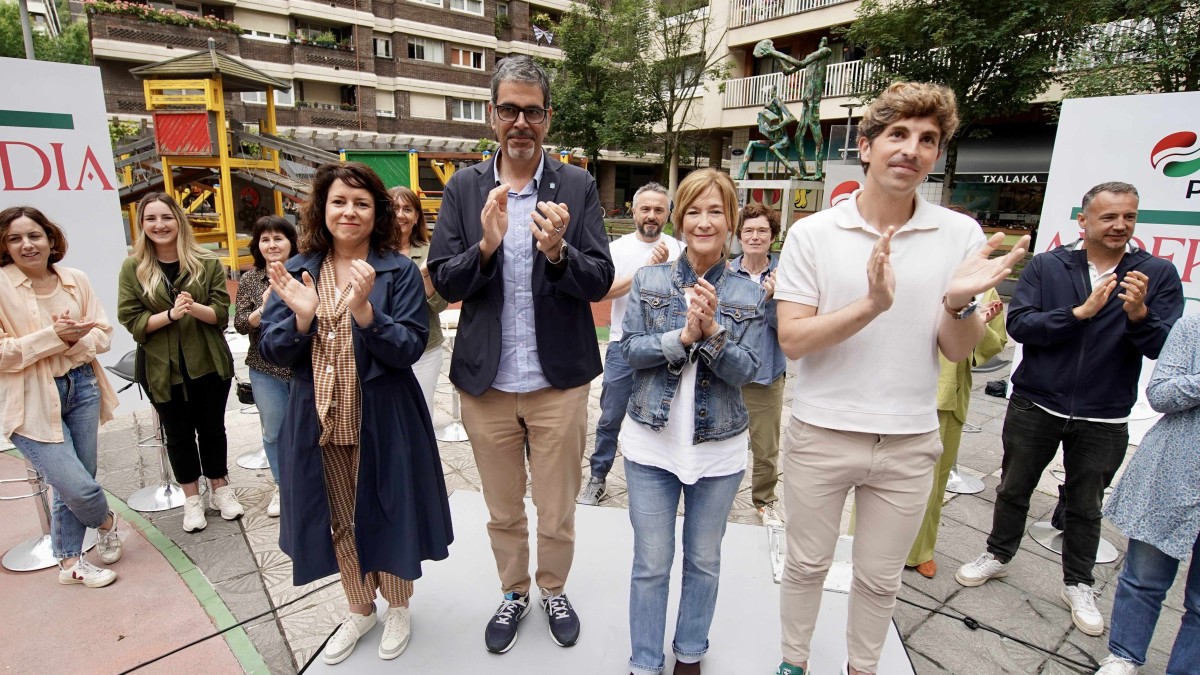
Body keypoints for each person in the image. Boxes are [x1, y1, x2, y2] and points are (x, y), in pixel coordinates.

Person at [772, 81, 1029, 675]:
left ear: (936, 154)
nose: (911, 149)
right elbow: (793, 340)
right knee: (806, 566)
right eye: (898, 135)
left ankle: (863, 667)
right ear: (866, 146)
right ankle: (792, 663)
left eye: (927, 139)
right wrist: (871, 305)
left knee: (880, 578)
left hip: (911, 441)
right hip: (822, 432)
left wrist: (962, 303)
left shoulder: (959, 234)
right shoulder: (814, 234)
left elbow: (955, 348)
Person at [428, 55, 614, 654]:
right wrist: (485, 246)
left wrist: (559, 251)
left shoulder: (578, 186)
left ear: (547, 118)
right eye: (509, 109)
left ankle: (553, 586)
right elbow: (443, 280)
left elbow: (599, 278)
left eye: (532, 111)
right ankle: (514, 591)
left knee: (556, 506)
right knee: (503, 507)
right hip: (487, 383)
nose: (521, 122)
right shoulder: (463, 188)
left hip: (558, 382)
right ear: (491, 116)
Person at [956, 181, 1184, 637]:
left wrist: (1138, 315)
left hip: (1105, 412)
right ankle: (998, 554)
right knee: (1014, 486)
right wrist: (1078, 313)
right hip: (1037, 402)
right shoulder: (1048, 265)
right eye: (1109, 217)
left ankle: (1078, 582)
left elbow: (1165, 346)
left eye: (1129, 217)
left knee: (1085, 504)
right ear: (1084, 221)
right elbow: (1021, 325)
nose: (1120, 225)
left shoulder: (1154, 274)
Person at [260, 161, 453, 665]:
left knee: (388, 508)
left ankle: (398, 606)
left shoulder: (398, 270)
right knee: (337, 515)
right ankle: (359, 605)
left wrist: (367, 312)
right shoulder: (301, 267)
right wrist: (301, 315)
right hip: (319, 417)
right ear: (322, 209)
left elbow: (409, 346)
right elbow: (274, 351)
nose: (349, 212)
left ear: (378, 212)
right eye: (339, 202)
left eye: (361, 203)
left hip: (385, 416)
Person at [620, 168, 766, 675]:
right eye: (694, 211)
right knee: (651, 563)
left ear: (731, 221)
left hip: (719, 448)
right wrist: (681, 339)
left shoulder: (750, 293)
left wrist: (713, 334)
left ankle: (689, 654)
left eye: (716, 211)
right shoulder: (650, 279)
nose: (704, 222)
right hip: (649, 443)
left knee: (704, 561)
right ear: (679, 219)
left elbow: (752, 370)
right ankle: (644, 661)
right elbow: (628, 352)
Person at [0, 206, 123, 587]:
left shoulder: (75, 279)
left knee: (80, 476)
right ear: (4, 246)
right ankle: (105, 520)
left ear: (51, 239)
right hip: (29, 396)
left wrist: (73, 342)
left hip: (82, 386)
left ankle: (70, 563)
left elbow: (102, 334)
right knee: (77, 486)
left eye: (35, 235)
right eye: (15, 238)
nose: (27, 244)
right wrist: (55, 338)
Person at [117, 192, 242, 534]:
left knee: (213, 429)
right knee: (178, 435)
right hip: (161, 367)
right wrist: (171, 314)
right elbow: (132, 320)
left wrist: (191, 308)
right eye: (151, 219)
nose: (159, 225)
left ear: (178, 220)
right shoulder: (134, 267)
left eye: (166, 217)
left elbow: (219, 314)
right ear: (141, 225)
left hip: (208, 361)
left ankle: (221, 489)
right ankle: (191, 499)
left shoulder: (206, 261)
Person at [1095, 315, 1200, 675]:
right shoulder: (1194, 328)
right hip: (1174, 473)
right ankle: (1124, 656)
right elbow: (1160, 394)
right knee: (1144, 577)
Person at [579, 181, 682, 506]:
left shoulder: (681, 250)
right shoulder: (617, 249)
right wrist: (646, 271)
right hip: (624, 346)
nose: (652, 216)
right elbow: (602, 292)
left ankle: (667, 482)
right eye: (645, 209)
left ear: (668, 213)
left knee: (667, 418)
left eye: (658, 209)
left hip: (666, 348)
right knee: (610, 416)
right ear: (634, 211)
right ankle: (598, 476)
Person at [908, 287, 1006, 578]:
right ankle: (861, 545)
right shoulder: (911, 266)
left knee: (933, 480)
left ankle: (919, 550)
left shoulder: (981, 286)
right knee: (875, 474)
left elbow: (994, 343)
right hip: (897, 388)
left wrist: (977, 324)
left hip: (946, 392)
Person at [233, 215, 298, 518]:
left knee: (311, 428)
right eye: (265, 239)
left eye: (278, 238)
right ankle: (282, 486)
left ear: (291, 242)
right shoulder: (250, 279)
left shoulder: (306, 271)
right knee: (273, 431)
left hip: (302, 367)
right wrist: (264, 306)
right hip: (265, 368)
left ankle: (312, 484)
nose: (272, 245)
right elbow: (241, 324)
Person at [727, 202, 787, 525]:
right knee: (723, 442)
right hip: (730, 374)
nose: (754, 236)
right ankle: (718, 498)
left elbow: (786, 328)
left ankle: (764, 501)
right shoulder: (725, 273)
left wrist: (774, 298)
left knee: (766, 449)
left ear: (772, 236)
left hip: (766, 375)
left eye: (762, 230)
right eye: (748, 230)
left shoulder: (785, 273)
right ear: (739, 235)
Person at [389, 186, 448, 413]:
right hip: (382, 348)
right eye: (394, 208)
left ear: (416, 218)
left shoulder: (430, 252)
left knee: (421, 414)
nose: (400, 215)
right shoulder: (370, 252)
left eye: (407, 209)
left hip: (425, 349)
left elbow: (439, 305)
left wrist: (425, 275)